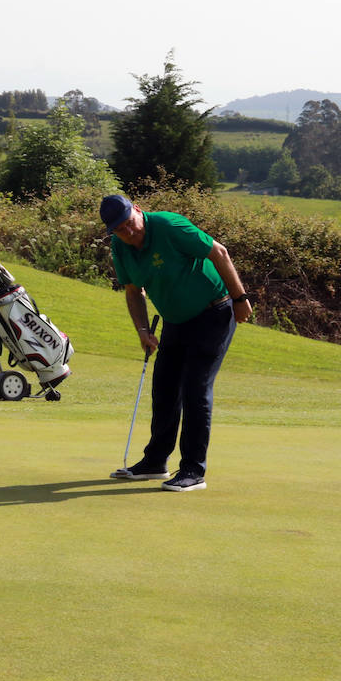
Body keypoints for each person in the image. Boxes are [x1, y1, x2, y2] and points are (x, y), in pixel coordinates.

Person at [101, 194, 252, 492]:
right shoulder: (120, 246)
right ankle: (155, 462)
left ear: (138, 211)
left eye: (129, 223)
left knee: (195, 389)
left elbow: (219, 253)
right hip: (175, 321)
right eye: (119, 229)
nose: (128, 232)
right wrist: (142, 329)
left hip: (215, 311)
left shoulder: (170, 225)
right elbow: (133, 291)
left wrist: (240, 298)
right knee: (165, 388)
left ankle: (194, 471)